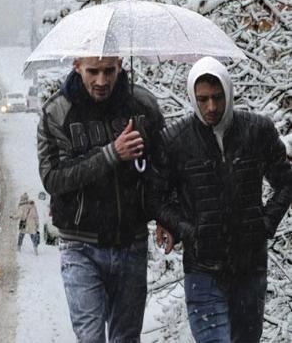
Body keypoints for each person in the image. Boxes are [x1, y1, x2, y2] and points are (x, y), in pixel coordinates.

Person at [148, 56, 292, 343]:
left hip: (250, 267)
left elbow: (286, 182)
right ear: (192, 97)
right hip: (202, 268)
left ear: (228, 92)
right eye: (202, 99)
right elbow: (156, 199)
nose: (211, 107)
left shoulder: (257, 130)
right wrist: (187, 229)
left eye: (217, 97)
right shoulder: (176, 140)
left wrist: (265, 223)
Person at [37, 56, 164, 342]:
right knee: (91, 337)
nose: (102, 81)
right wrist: (111, 154)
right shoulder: (57, 112)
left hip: (131, 240)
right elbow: (53, 178)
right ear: (77, 66)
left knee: (126, 337)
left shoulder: (142, 105)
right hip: (80, 244)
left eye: (109, 71)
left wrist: (166, 217)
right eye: (93, 71)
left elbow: (163, 168)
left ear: (120, 65)